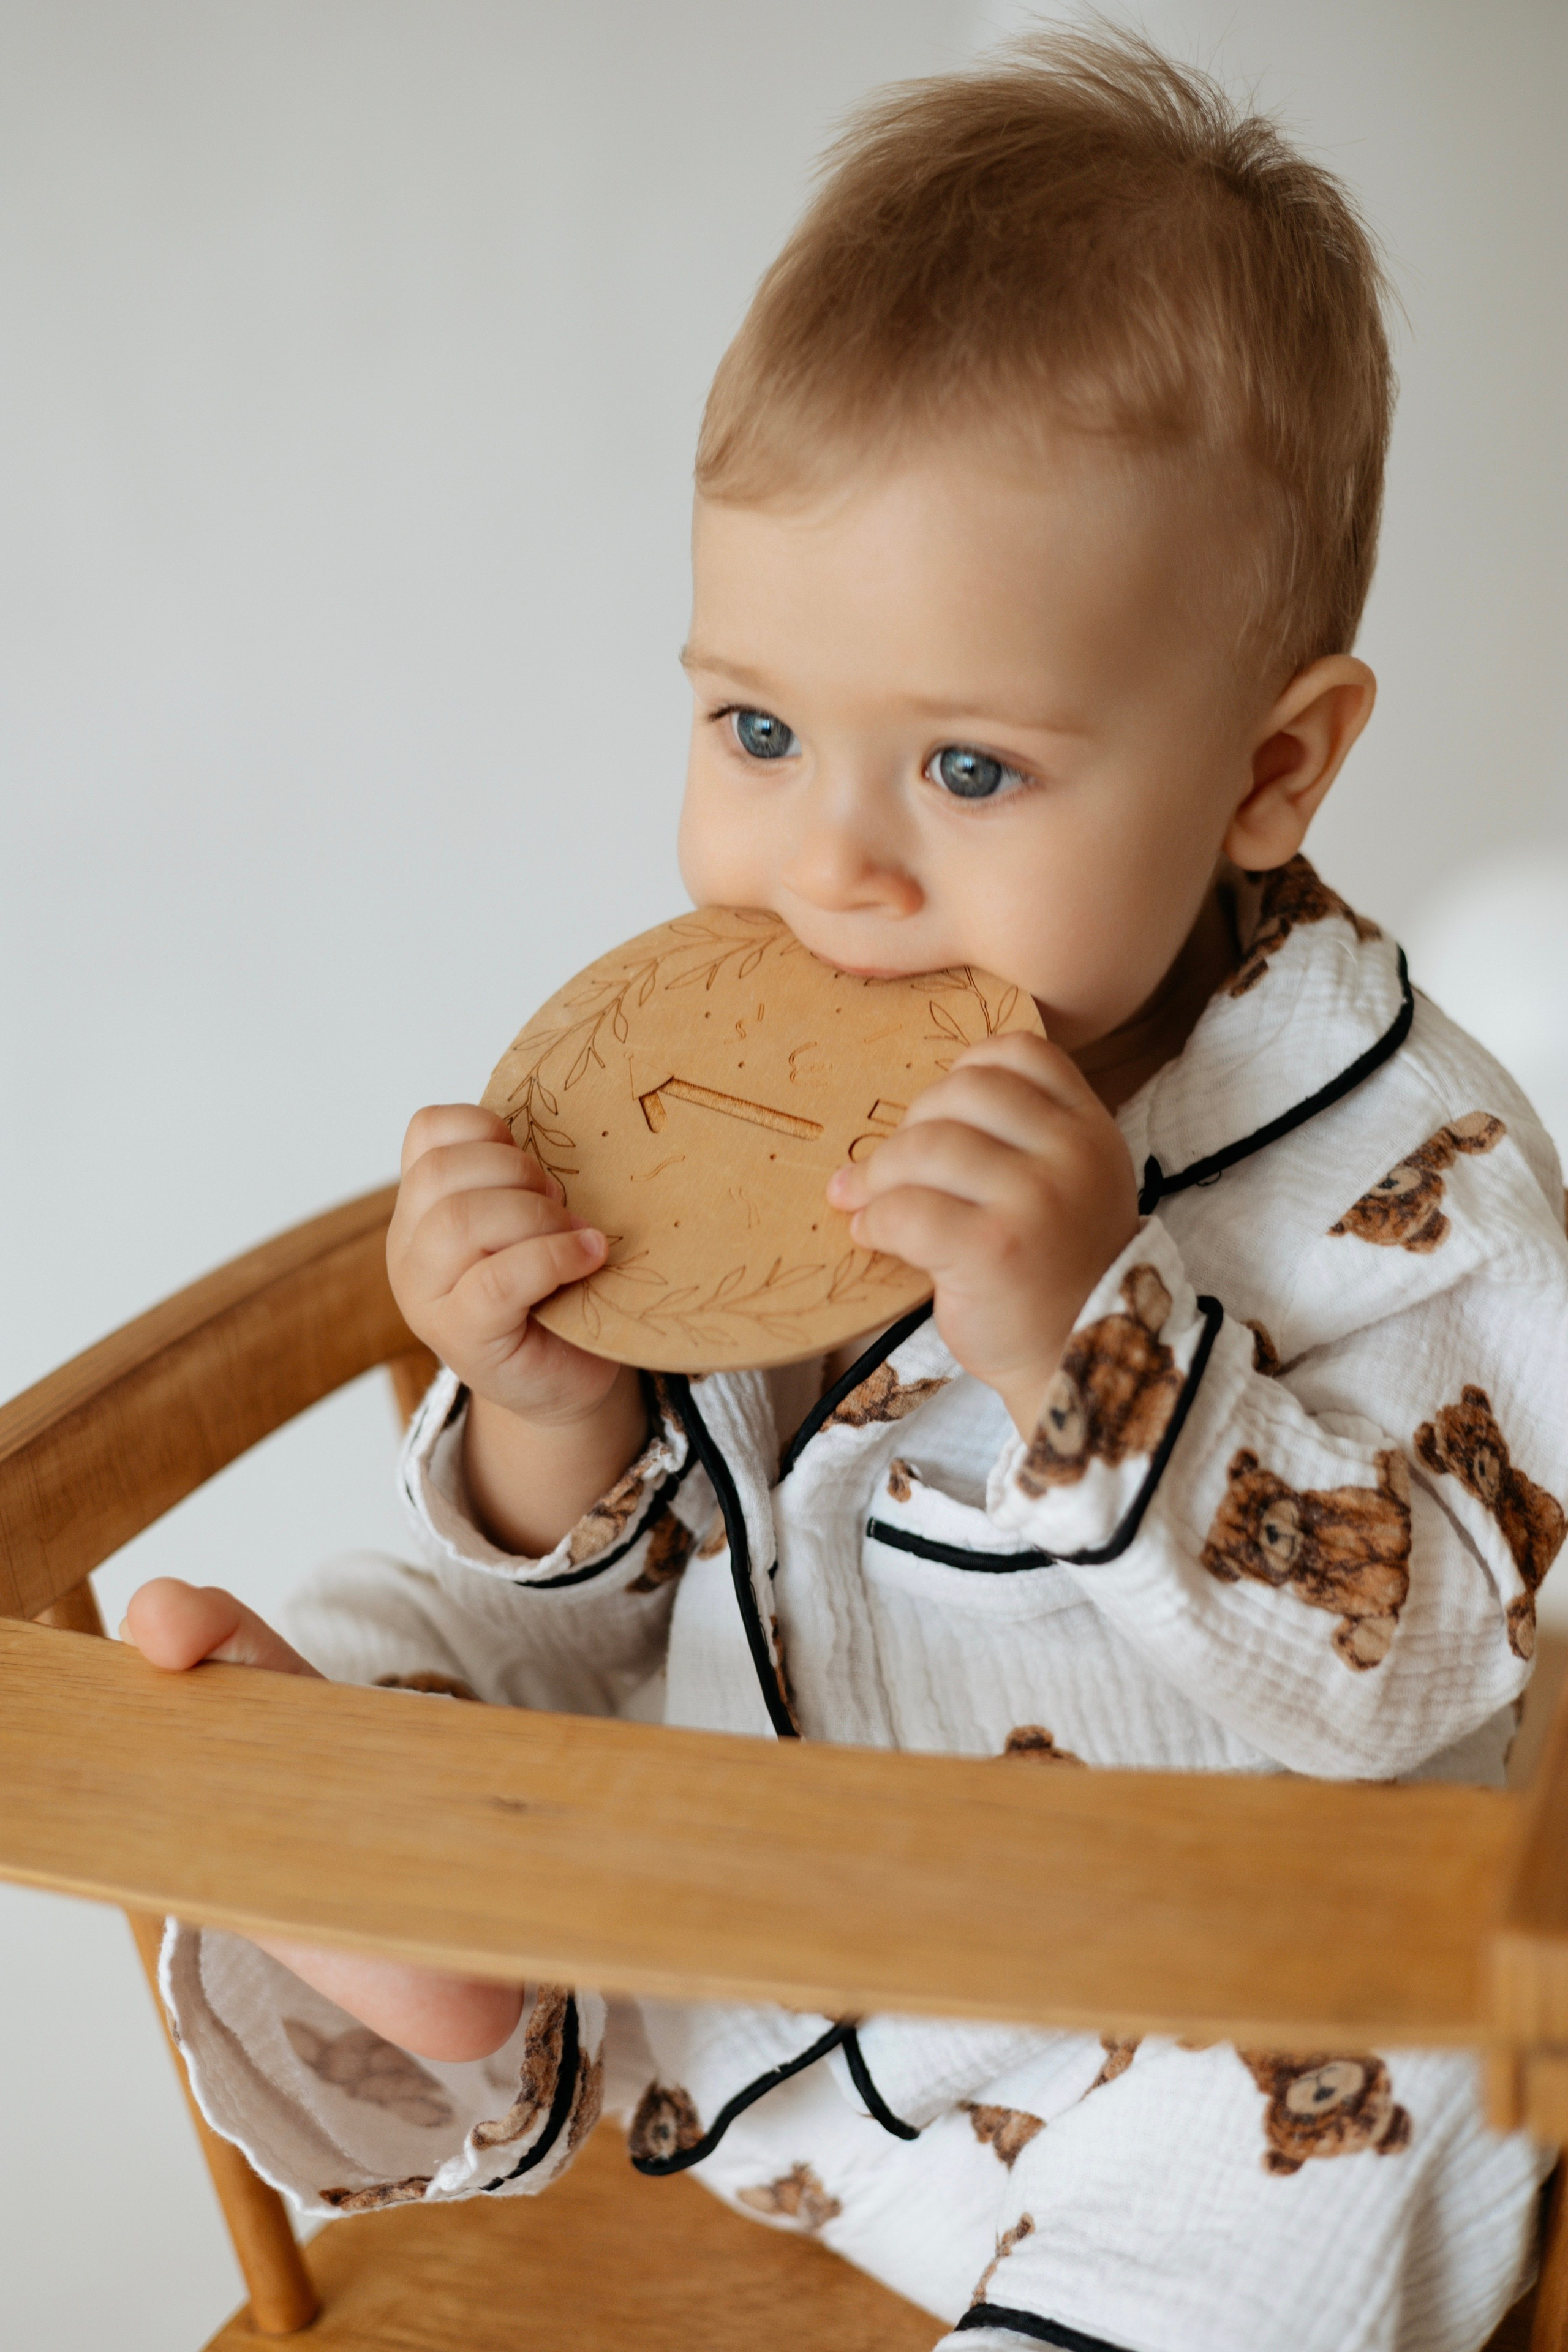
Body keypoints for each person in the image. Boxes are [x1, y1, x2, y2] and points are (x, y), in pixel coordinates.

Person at [124, 29, 1568, 2352]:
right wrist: (544, 1406)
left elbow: (1425, 1663)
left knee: (1414, 2078)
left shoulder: (1421, 1172)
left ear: (1268, 767)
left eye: (974, 765)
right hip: (752, 1948)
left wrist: (1099, 1337)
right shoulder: (740, 1094)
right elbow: (659, 1557)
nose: (836, 862)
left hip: (1151, 2029)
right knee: (417, 1625)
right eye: (758, 729)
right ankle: (420, 1918)